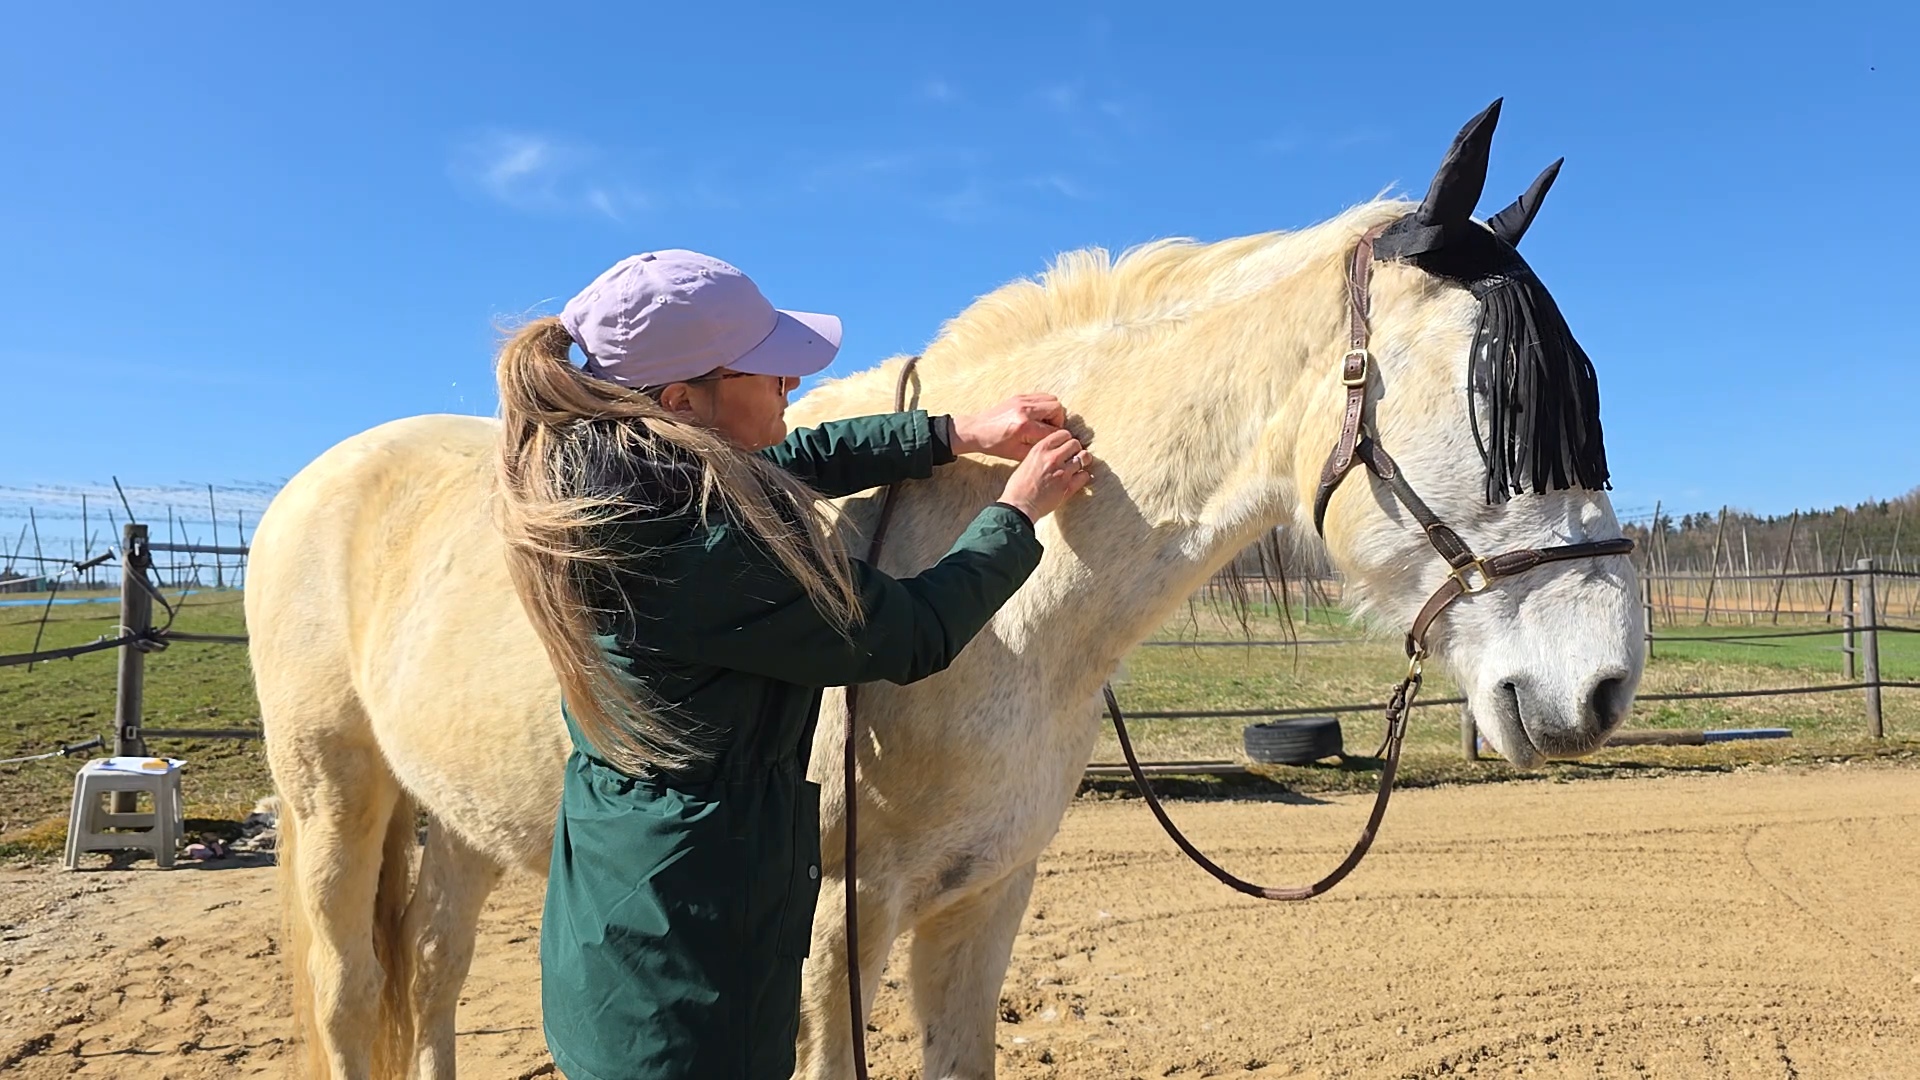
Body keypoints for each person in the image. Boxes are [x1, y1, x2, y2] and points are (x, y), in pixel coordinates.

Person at [490, 249, 1094, 1080]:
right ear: (681, 401)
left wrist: (951, 434)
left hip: (630, 906)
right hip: (695, 955)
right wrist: (1017, 512)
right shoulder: (702, 549)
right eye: (766, 366)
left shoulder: (620, 482)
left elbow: (793, 459)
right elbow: (911, 631)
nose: (792, 381)